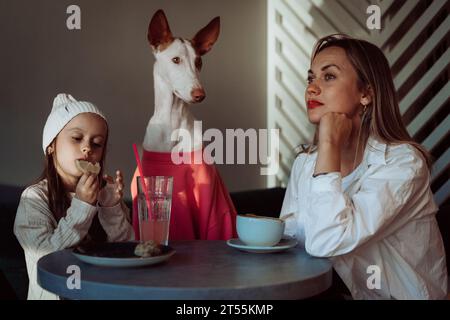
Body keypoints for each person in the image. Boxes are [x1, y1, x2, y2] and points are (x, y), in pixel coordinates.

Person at [280, 34, 447, 299]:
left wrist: (329, 144)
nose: (311, 88)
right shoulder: (305, 163)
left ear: (366, 93)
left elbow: (326, 242)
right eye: (311, 78)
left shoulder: (403, 163)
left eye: (329, 76)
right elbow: (291, 244)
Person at [14, 93, 134, 300]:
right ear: (51, 145)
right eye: (77, 138)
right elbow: (47, 259)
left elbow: (128, 251)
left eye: (97, 143)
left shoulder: (104, 195)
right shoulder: (33, 199)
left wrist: (112, 208)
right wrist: (82, 206)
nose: (87, 148)